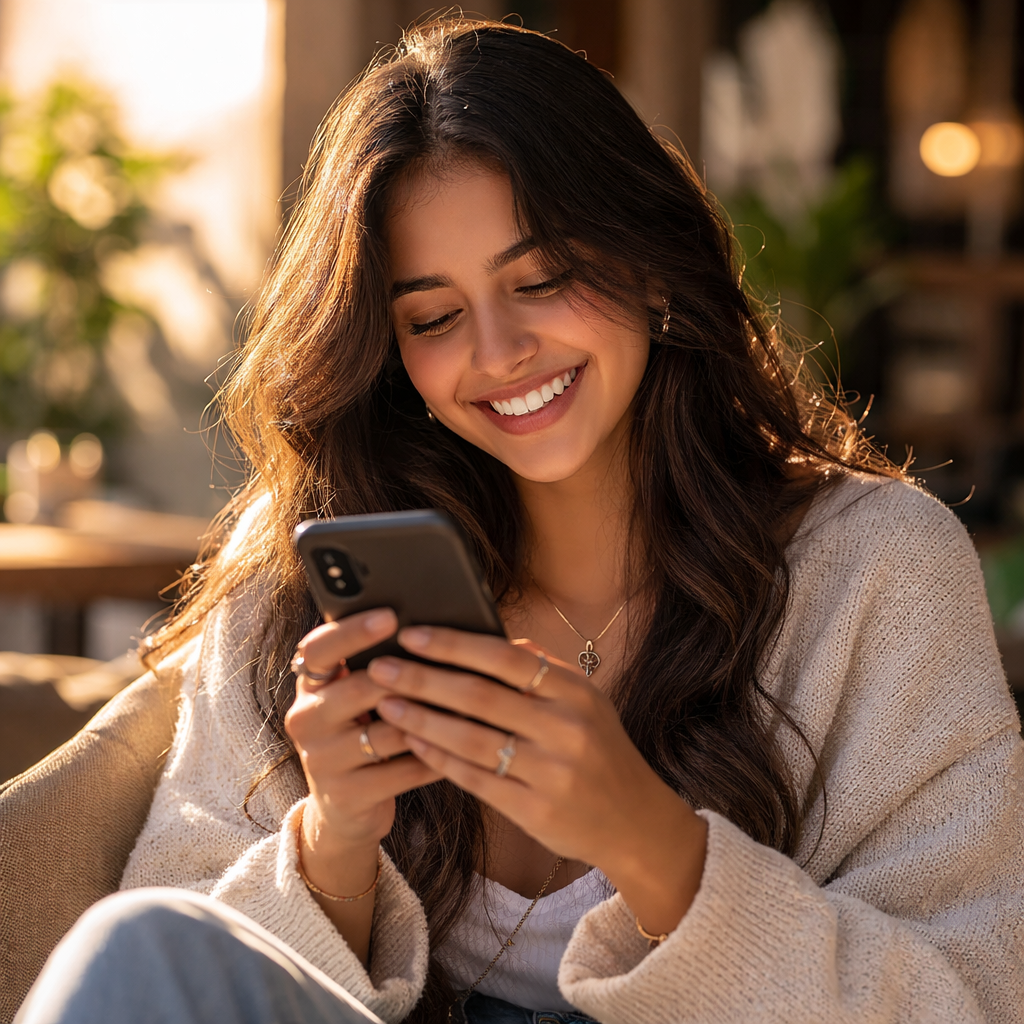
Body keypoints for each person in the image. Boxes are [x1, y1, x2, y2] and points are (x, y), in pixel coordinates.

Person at [17, 18, 1023, 1024]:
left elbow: (971, 995)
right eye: (433, 317)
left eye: (540, 280)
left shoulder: (876, 567)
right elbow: (176, 955)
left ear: (654, 262)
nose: (499, 351)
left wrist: (656, 850)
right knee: (130, 941)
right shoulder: (305, 568)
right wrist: (333, 842)